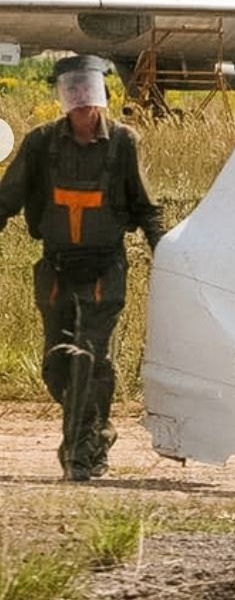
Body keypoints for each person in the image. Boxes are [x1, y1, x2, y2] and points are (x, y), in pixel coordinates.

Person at [0, 54, 164, 481]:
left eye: (86, 90)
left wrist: (167, 255)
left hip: (104, 270)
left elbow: (147, 209)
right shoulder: (40, 143)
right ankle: (97, 432)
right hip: (56, 271)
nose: (80, 99)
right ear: (62, 96)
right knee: (57, 366)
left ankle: (79, 453)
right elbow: (5, 200)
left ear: (101, 95)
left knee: (89, 359)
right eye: (71, 90)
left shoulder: (124, 142)